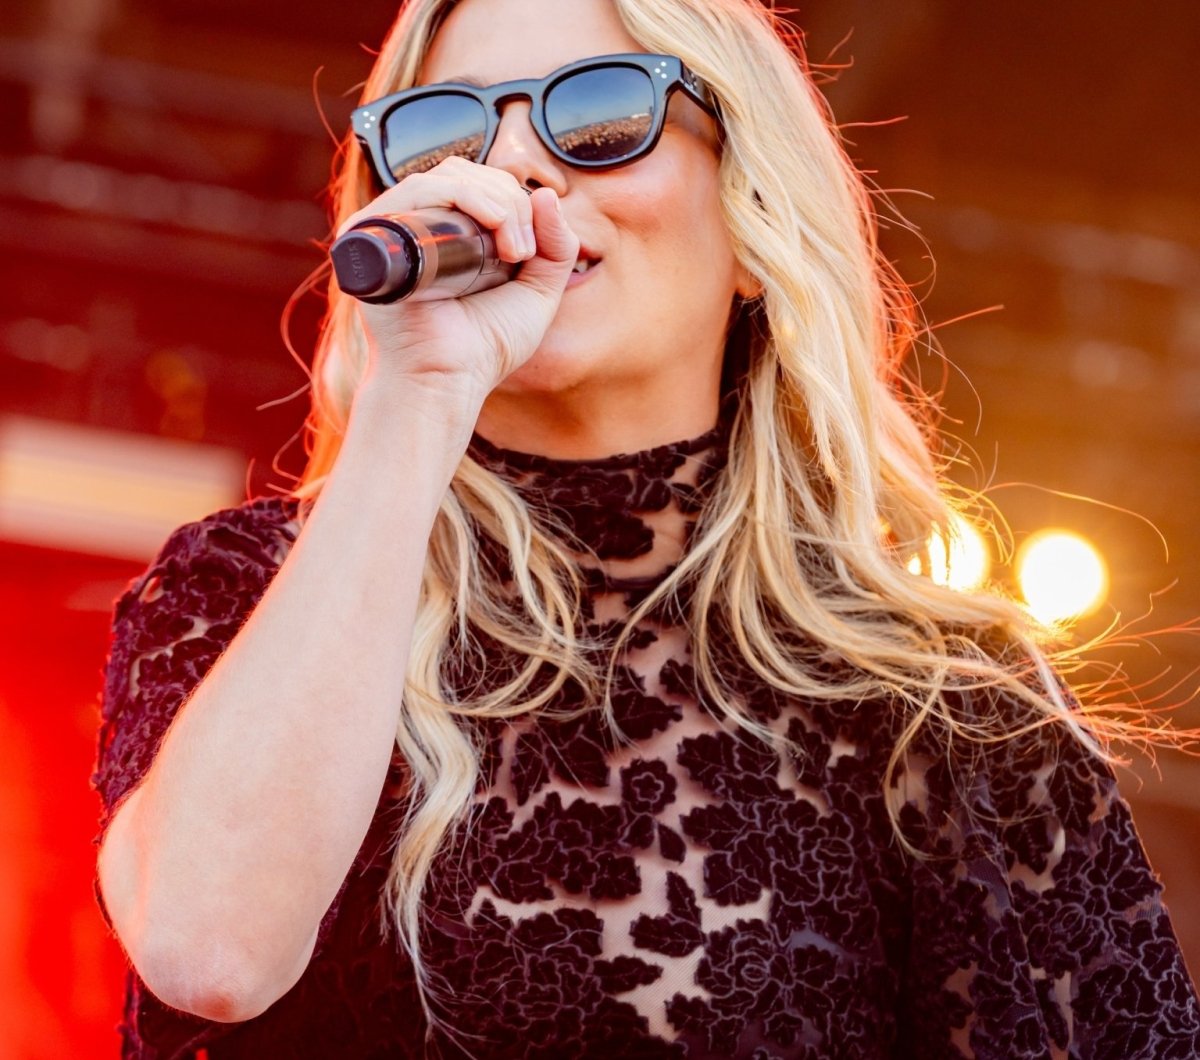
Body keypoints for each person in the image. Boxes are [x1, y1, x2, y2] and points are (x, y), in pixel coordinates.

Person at [90, 0, 1200, 1056]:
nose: (511, 168)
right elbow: (209, 953)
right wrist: (418, 396)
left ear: (756, 215)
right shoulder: (238, 589)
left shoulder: (938, 702)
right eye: (442, 135)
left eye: (599, 112)